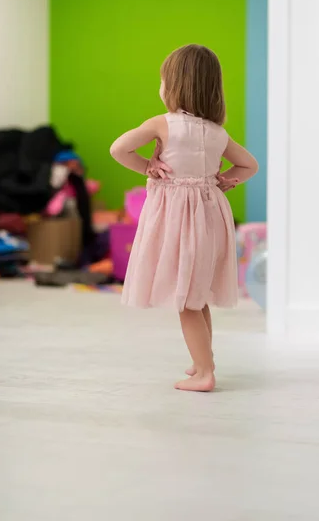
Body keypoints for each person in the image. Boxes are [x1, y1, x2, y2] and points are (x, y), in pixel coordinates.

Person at [110, 44, 258, 392]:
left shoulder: (163, 124)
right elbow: (249, 165)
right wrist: (223, 180)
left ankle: (206, 374)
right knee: (197, 292)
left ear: (174, 86)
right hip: (210, 216)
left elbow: (119, 149)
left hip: (179, 220)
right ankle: (202, 359)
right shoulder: (217, 133)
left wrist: (147, 165)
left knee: (185, 297)